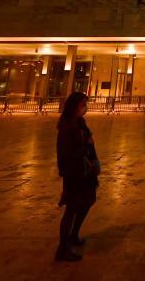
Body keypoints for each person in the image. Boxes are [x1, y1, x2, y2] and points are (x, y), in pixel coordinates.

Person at [55, 92, 99, 262]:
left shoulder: (80, 122)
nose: (84, 108)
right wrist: (87, 147)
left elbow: (87, 139)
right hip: (74, 172)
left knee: (88, 200)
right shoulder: (66, 126)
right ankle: (63, 248)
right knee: (71, 208)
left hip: (86, 170)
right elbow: (67, 154)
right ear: (74, 106)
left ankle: (74, 234)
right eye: (82, 104)